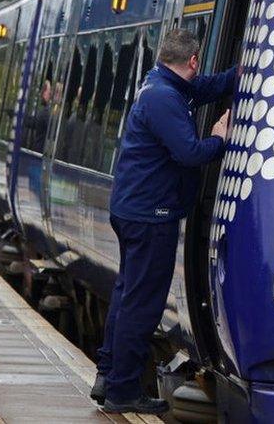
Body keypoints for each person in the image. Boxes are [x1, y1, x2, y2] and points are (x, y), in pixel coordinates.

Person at [92, 29, 234, 414]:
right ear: (192, 61)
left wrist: (243, 71)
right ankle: (123, 391)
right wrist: (220, 138)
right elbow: (189, 153)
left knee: (127, 296)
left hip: (136, 209)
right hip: (150, 215)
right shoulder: (165, 99)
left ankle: (109, 376)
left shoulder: (160, 84)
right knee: (143, 303)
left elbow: (205, 87)